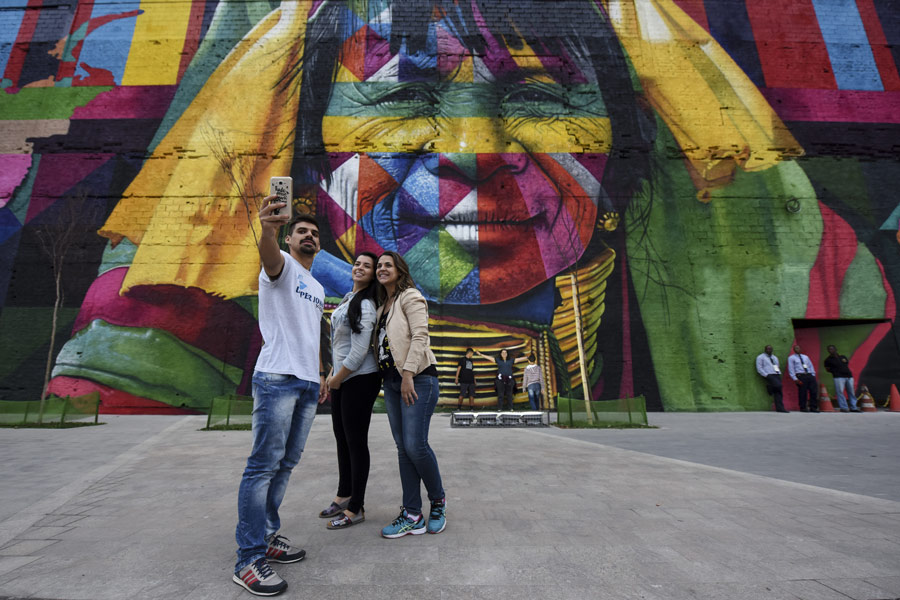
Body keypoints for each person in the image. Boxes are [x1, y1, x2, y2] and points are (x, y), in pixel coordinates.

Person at [233, 205, 327, 597]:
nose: (309, 236)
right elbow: (268, 255)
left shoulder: (317, 287)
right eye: (301, 231)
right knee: (263, 466)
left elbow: (311, 334)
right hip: (277, 378)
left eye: (314, 233)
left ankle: (269, 535)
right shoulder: (282, 265)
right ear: (290, 238)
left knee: (286, 464)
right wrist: (268, 231)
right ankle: (248, 558)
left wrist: (320, 373)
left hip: (306, 383)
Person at [374, 251, 446, 538]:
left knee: (416, 446)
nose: (381, 269)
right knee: (403, 448)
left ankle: (438, 502)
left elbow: (420, 336)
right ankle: (412, 514)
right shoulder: (383, 306)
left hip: (418, 379)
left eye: (387, 265)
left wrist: (408, 374)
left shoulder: (410, 297)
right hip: (391, 383)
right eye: (378, 266)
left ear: (400, 271)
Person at [320, 251, 382, 529]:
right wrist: (333, 374)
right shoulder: (348, 298)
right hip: (344, 378)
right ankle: (344, 494)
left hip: (360, 379)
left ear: (372, 275)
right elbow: (340, 345)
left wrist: (338, 377)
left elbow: (359, 351)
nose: (359, 267)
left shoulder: (366, 304)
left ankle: (357, 507)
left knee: (355, 442)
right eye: (357, 263)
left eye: (366, 266)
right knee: (342, 439)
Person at [824, 345, 861, 412]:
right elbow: (827, 369)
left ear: (835, 349)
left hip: (848, 376)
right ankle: (844, 407)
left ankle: (853, 407)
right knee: (840, 392)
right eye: (829, 349)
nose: (831, 350)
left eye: (832, 349)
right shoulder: (828, 360)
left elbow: (846, 364)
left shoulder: (842, 357)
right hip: (838, 377)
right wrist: (835, 372)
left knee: (851, 392)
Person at [755, 345, 788, 413]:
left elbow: (777, 366)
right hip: (769, 374)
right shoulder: (761, 357)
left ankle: (780, 408)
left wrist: (778, 373)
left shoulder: (774, 357)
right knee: (779, 386)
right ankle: (770, 388)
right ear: (765, 349)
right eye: (767, 349)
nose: (769, 350)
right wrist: (766, 375)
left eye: (770, 349)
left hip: (776, 374)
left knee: (778, 391)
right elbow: (759, 368)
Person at [788, 345, 818, 413]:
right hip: (801, 376)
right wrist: (795, 378)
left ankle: (813, 407)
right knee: (803, 392)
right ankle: (803, 407)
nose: (797, 349)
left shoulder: (805, 357)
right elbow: (791, 369)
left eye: (798, 348)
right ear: (794, 350)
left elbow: (810, 365)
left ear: (800, 349)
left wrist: (813, 374)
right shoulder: (791, 358)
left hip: (809, 375)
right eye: (795, 348)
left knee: (813, 391)